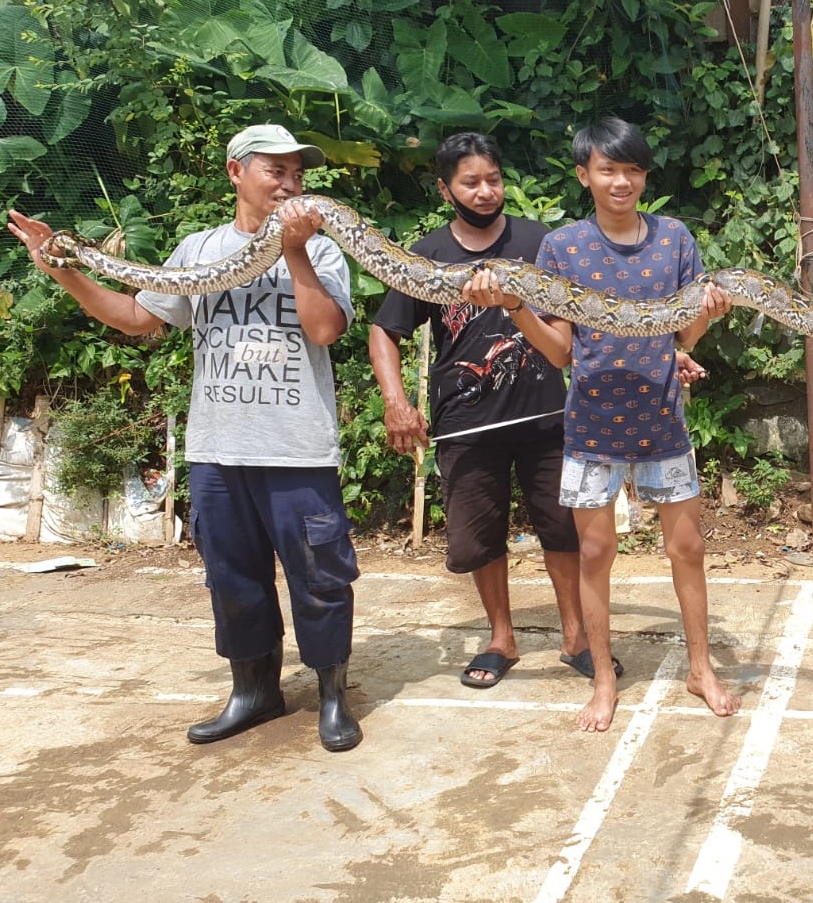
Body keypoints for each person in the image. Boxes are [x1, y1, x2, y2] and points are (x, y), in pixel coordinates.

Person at [8, 124, 363, 751]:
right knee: (232, 580)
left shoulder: (324, 249)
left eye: (297, 173)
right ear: (236, 172)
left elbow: (325, 329)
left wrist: (296, 250)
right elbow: (139, 316)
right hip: (216, 450)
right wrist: (62, 270)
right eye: (274, 170)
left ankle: (332, 695)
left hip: (295, 446)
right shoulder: (197, 250)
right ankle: (254, 691)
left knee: (320, 576)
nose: (289, 183)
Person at [481, 116, 741, 733]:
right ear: (584, 175)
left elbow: (684, 334)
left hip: (662, 422)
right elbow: (562, 352)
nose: (621, 181)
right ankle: (602, 677)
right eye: (607, 169)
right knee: (594, 552)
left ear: (644, 176)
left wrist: (708, 316)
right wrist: (515, 306)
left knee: (689, 548)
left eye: (632, 170)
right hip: (592, 426)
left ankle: (700, 668)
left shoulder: (675, 239)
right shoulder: (562, 249)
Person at [369, 132, 599, 690]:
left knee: (564, 532)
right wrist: (397, 402)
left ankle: (576, 636)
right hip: (466, 424)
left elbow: (576, 324)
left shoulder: (543, 243)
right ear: (446, 189)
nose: (485, 191)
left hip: (546, 418)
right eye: (470, 182)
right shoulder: (426, 258)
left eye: (493, 179)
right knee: (480, 539)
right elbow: (384, 329)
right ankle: (502, 638)